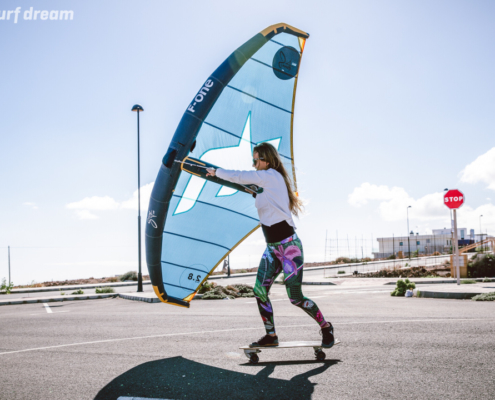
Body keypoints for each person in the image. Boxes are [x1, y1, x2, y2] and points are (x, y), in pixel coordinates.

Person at [206, 142, 335, 348]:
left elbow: (240, 176)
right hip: (273, 248)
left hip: (289, 248)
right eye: (253, 160)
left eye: (256, 160)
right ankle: (271, 335)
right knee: (259, 291)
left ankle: (326, 327)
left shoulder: (271, 176)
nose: (254, 163)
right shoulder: (265, 184)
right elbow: (245, 186)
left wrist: (217, 171)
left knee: (295, 297)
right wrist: (222, 179)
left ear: (267, 159)